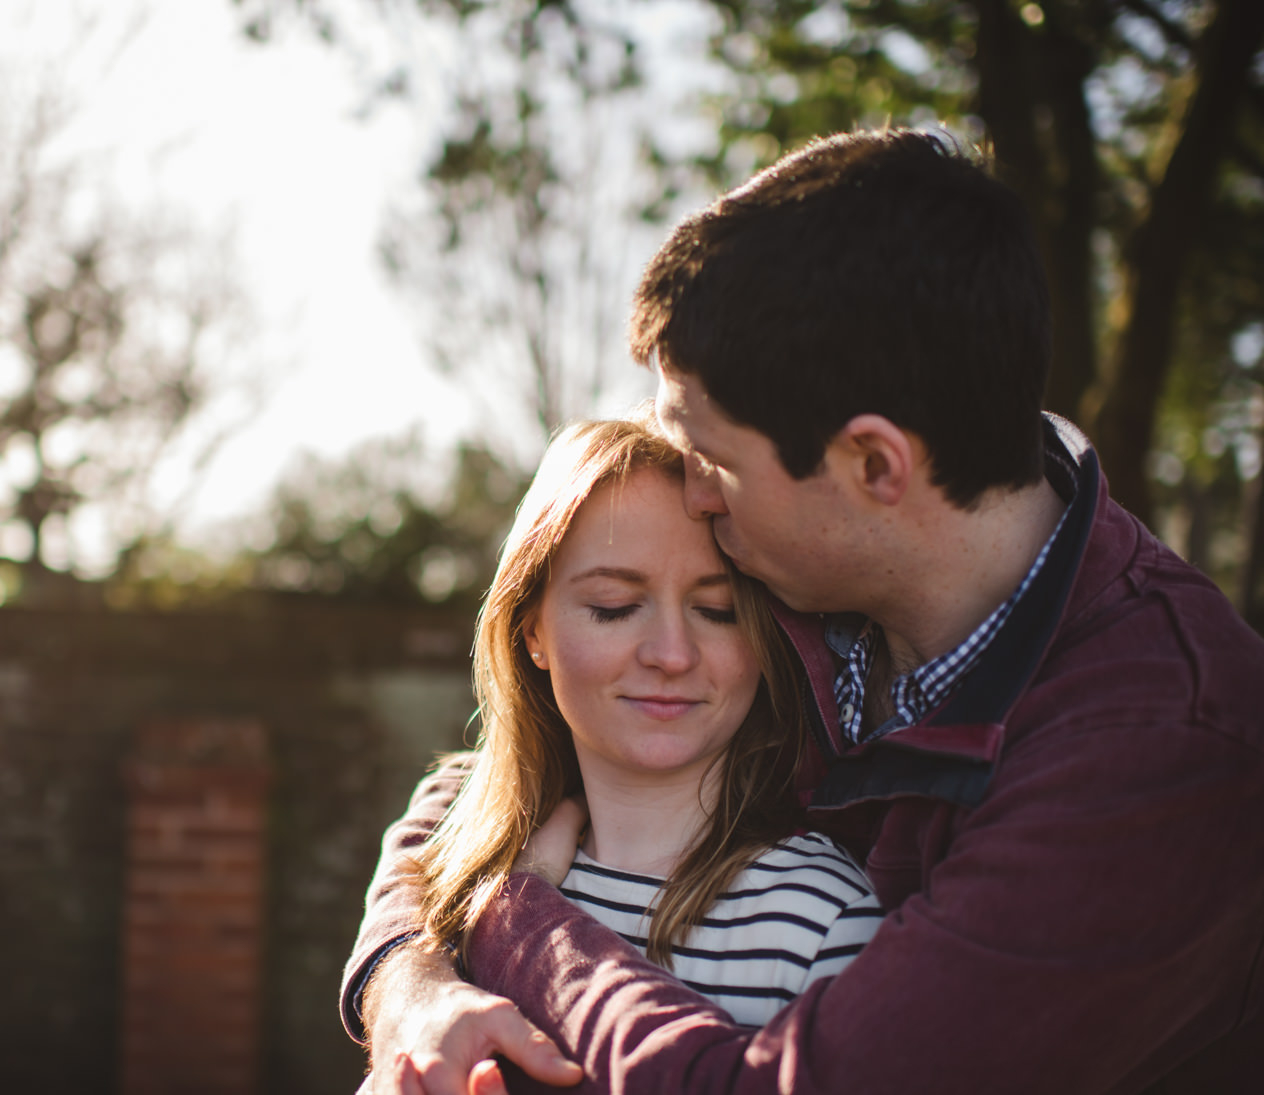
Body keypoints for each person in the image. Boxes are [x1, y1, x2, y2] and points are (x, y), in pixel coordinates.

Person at [342, 128, 1264, 1094]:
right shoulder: (799, 580)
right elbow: (493, 776)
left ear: (874, 466)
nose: (694, 497)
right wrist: (411, 981)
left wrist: (516, 922)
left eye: (714, 461)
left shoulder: (1164, 745)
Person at [404, 414, 883, 1069]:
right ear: (531, 630)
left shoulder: (827, 921)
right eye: (613, 605)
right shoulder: (452, 879)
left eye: (716, 610)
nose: (671, 653)